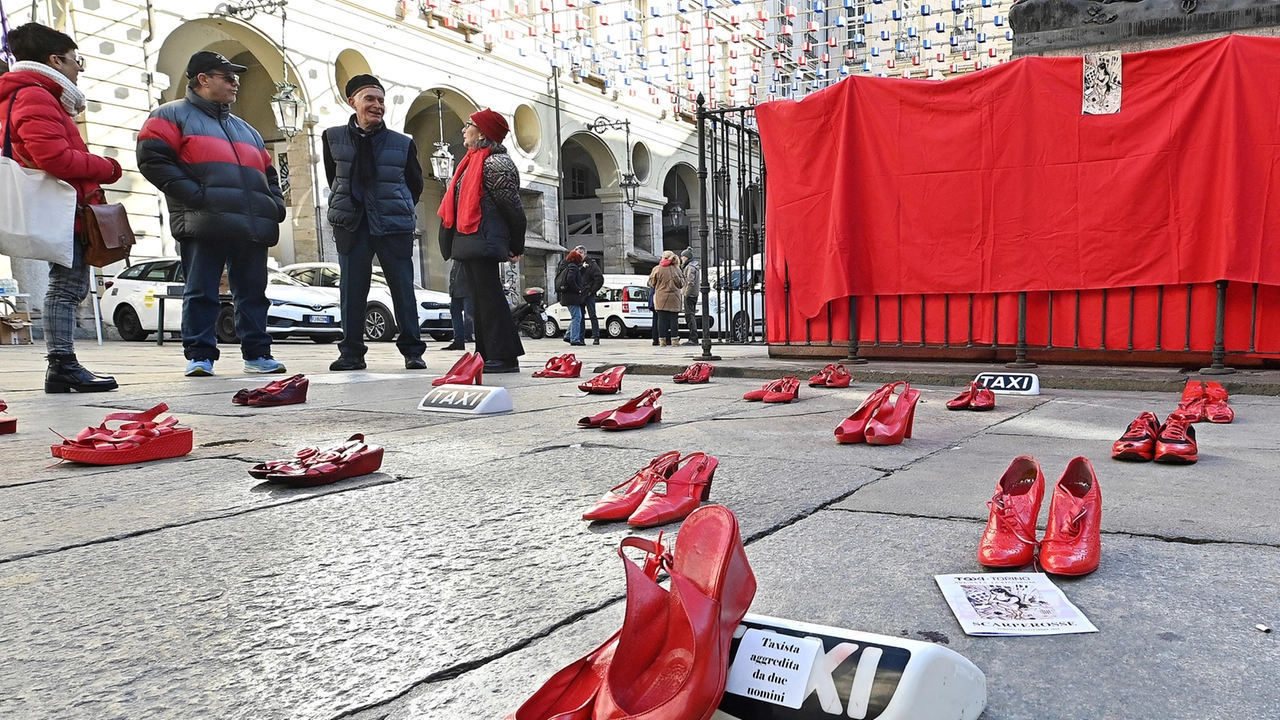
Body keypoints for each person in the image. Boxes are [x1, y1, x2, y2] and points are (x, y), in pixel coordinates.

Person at [137, 51, 287, 377]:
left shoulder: (246, 129)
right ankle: (200, 356)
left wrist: (274, 205)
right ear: (203, 79)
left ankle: (258, 354)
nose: (236, 83)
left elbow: (269, 172)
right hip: (203, 220)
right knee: (201, 290)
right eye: (228, 76)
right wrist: (196, 196)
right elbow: (152, 160)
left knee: (253, 294)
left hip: (251, 223)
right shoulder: (170, 115)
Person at [0, 24, 122, 393]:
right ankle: (62, 365)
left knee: (67, 287)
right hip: (63, 205)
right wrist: (107, 166)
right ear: (55, 59)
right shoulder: (35, 96)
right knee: (66, 288)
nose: (79, 68)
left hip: (64, 203)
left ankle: (63, 364)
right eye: (75, 60)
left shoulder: (28, 94)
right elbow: (52, 158)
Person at [322, 74, 426, 371]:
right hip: (352, 223)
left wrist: (396, 205)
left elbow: (414, 185)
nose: (377, 106)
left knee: (403, 288)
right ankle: (351, 353)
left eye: (381, 100)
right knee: (352, 290)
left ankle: (412, 351)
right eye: (370, 99)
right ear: (352, 101)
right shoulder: (332, 137)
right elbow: (335, 178)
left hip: (393, 224)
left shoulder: (402, 143)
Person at [436, 108, 525, 374]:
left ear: (483, 132)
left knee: (490, 298)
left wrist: (516, 244)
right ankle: (487, 353)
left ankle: (505, 356)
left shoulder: (495, 163)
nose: (464, 130)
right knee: (478, 299)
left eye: (468, 124)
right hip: (471, 240)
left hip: (483, 238)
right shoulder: (472, 161)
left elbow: (513, 207)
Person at [648, 250, 685, 346]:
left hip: (661, 297)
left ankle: (662, 341)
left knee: (661, 319)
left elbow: (651, 283)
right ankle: (674, 340)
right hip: (674, 297)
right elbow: (681, 284)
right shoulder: (677, 270)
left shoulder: (656, 269)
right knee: (674, 319)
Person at [442, 260, 473, 351]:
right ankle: (459, 340)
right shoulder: (456, 257)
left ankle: (467, 337)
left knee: (470, 314)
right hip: (456, 289)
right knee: (456, 313)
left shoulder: (465, 253)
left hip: (467, 290)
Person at [559, 248, 587, 346]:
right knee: (577, 317)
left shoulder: (568, 266)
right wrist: (578, 289)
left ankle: (568, 335)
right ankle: (574, 339)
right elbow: (570, 279)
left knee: (577, 317)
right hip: (572, 297)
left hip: (568, 297)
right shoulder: (573, 267)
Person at [580, 248, 603, 344]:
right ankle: (580, 337)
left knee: (592, 315)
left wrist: (591, 290)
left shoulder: (592, 264)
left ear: (583, 253)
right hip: (580, 293)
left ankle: (596, 336)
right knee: (580, 316)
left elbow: (599, 279)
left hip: (588, 293)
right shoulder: (577, 264)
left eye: (578, 253)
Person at [680, 247, 701, 346]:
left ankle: (693, 338)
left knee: (689, 316)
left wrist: (686, 294)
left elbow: (690, 282)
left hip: (690, 294)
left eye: (683, 257)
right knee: (690, 315)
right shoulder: (693, 265)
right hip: (693, 294)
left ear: (687, 257)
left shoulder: (690, 267)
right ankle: (693, 337)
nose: (681, 258)